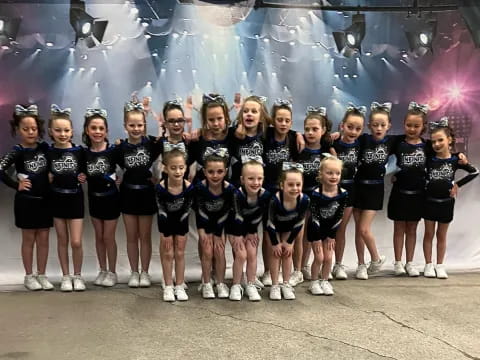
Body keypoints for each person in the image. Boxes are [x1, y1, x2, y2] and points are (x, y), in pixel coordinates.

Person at [0, 104, 53, 291]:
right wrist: (16, 184)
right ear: (17, 130)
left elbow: (59, 161)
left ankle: (42, 274)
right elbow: (0, 169)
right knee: (29, 239)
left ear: (39, 129)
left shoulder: (45, 148)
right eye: (25, 129)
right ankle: (29, 275)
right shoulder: (17, 151)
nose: (30, 132)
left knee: (44, 239)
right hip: (26, 202)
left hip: (45, 200)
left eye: (34, 128)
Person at [422, 117, 478, 279]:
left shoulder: (455, 160)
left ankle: (440, 265)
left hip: (446, 203)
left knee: (441, 235)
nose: (437, 144)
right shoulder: (430, 159)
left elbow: (474, 172)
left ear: (450, 139)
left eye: (440, 140)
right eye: (434, 142)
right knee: (429, 234)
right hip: (429, 201)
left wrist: (457, 185)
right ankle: (428, 264)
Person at [117, 101, 161, 288]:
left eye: (140, 125)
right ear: (125, 126)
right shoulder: (120, 147)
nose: (136, 128)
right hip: (128, 194)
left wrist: (152, 113)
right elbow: (112, 167)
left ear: (145, 125)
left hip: (146, 194)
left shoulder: (151, 143)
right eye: (132, 125)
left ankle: (145, 272)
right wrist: (115, 178)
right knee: (131, 236)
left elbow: (167, 138)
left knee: (145, 236)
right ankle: (134, 272)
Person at [47, 104, 86, 292]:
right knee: (62, 240)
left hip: (75, 199)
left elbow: (90, 169)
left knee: (76, 241)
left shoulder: (79, 151)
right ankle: (65, 276)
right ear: (51, 131)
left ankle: (78, 275)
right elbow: (39, 170)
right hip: (57, 199)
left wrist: (83, 176)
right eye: (58, 130)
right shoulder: (48, 151)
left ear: (72, 131)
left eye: (66, 130)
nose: (62, 134)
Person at [82, 108, 120, 287]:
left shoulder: (113, 151)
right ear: (87, 130)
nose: (97, 132)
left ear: (106, 131)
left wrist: (121, 179)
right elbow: (80, 173)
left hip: (111, 199)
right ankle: (102, 269)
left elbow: (130, 166)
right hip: (94, 199)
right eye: (93, 128)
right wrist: (79, 177)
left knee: (108, 237)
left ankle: (112, 272)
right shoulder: (84, 153)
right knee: (98, 237)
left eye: (101, 128)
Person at [227, 157, 271, 301]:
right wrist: (238, 235)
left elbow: (260, 216)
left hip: (250, 228)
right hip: (234, 228)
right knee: (241, 255)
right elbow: (237, 216)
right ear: (242, 179)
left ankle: (250, 283)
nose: (255, 182)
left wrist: (252, 232)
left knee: (252, 253)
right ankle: (236, 284)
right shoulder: (237, 194)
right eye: (251, 178)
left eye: (259, 178)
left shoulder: (265, 195)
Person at [194, 149, 235, 299]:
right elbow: (200, 211)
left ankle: (220, 282)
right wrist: (202, 232)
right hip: (204, 224)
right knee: (206, 250)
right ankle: (206, 282)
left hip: (221, 224)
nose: (215, 175)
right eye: (211, 172)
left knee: (219, 250)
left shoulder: (229, 189)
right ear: (204, 172)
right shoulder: (199, 188)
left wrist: (218, 234)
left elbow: (226, 212)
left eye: (219, 171)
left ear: (225, 171)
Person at [266, 163, 309, 300]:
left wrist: (290, 242)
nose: (295, 188)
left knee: (287, 253)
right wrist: (275, 243)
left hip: (289, 228)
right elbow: (270, 224)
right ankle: (274, 285)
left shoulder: (304, 200)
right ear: (282, 185)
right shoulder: (274, 200)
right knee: (276, 253)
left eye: (298, 184)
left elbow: (299, 223)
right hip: (274, 228)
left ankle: (286, 283)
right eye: (290, 185)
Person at [330, 106, 364, 280]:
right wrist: (330, 136)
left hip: (350, 191)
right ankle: (323, 264)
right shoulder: (332, 143)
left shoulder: (362, 143)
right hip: (330, 192)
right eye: (350, 127)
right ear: (342, 125)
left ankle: (338, 264)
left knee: (341, 229)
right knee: (328, 229)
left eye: (358, 128)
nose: (353, 131)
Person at [156, 148, 194, 301]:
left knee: (179, 253)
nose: (177, 171)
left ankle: (179, 285)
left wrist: (180, 230)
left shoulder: (189, 187)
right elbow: (161, 211)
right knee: (167, 253)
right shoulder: (161, 187)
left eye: (181, 167)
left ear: (185, 167)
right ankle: (168, 285)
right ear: (165, 168)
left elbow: (187, 210)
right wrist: (165, 234)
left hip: (181, 222)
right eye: (173, 168)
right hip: (165, 224)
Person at [308, 156, 348, 295]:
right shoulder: (316, 193)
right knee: (319, 258)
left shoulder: (343, 194)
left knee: (329, 258)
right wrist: (318, 237)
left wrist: (332, 236)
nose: (333, 176)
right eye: (329, 173)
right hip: (315, 230)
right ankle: (313, 282)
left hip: (330, 231)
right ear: (321, 174)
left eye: (337, 173)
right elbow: (314, 217)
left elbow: (339, 216)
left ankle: (324, 281)